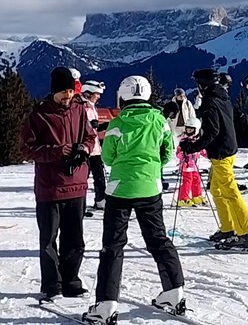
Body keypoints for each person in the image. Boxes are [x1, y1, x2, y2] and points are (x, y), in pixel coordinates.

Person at [83, 76, 186, 323]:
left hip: (120, 191)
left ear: (123, 96)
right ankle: (174, 292)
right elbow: (168, 153)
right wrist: (151, 168)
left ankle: (106, 304)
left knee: (113, 246)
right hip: (150, 188)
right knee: (159, 239)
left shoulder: (118, 123)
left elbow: (107, 157)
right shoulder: (159, 121)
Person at [22, 66, 96, 301]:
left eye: (70, 91)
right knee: (49, 240)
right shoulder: (39, 115)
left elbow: (90, 136)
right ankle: (52, 285)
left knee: (75, 239)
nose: (67, 96)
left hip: (77, 184)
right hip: (50, 187)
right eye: (62, 92)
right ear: (53, 92)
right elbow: (27, 149)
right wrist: (58, 151)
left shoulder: (80, 109)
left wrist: (84, 148)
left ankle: (71, 281)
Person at [180, 69, 248, 249]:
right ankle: (228, 227)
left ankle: (245, 233)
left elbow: (212, 131)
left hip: (221, 152)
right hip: (228, 149)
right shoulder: (223, 97)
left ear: (203, 84)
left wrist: (193, 147)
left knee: (229, 191)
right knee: (217, 189)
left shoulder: (209, 102)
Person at [166, 88, 205, 208]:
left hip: (195, 164)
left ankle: (197, 196)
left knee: (196, 180)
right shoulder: (173, 104)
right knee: (187, 181)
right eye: (180, 96)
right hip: (187, 164)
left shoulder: (187, 104)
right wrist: (182, 155)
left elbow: (192, 113)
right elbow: (179, 152)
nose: (182, 97)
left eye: (183, 95)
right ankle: (183, 198)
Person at [80, 80, 108, 214]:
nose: (99, 97)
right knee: (82, 179)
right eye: (96, 94)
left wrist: (104, 126)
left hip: (95, 150)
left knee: (100, 177)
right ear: (88, 93)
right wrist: (92, 126)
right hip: (85, 150)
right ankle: (80, 205)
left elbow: (94, 129)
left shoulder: (91, 107)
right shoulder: (82, 107)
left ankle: (101, 201)